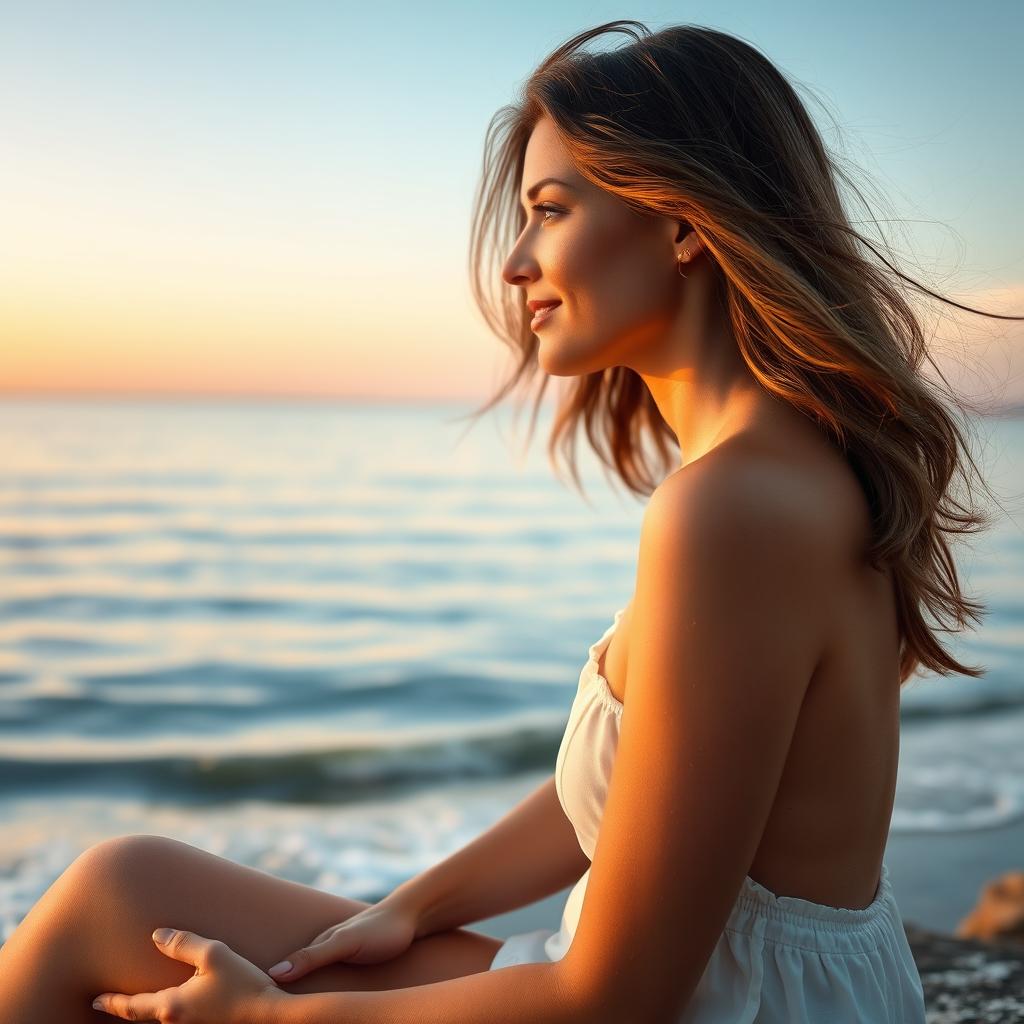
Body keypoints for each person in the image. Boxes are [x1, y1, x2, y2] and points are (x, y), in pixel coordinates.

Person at [1, 19, 1019, 1024]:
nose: (514, 263)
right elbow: (642, 792)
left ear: (681, 223)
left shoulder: (731, 511)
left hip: (731, 1006)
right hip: (761, 989)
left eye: (549, 209)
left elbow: (620, 996)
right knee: (131, 887)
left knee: (115, 900)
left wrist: (275, 1018)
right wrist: (409, 906)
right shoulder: (787, 473)